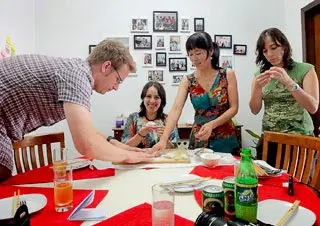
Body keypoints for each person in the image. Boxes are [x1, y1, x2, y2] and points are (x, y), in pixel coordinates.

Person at [0, 39, 154, 181]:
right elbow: (86, 144)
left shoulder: (77, 71)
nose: (116, 87)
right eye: (118, 80)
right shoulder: (77, 76)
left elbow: (88, 131)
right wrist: (127, 156)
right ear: (106, 66)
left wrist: (120, 146)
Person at [152, 32, 239, 154]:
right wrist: (163, 139)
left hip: (225, 137)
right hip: (200, 137)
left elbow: (234, 108)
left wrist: (212, 124)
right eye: (190, 54)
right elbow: (176, 109)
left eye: (198, 53)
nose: (194, 58)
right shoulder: (188, 80)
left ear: (211, 51)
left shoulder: (227, 74)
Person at [249, 27, 319, 166]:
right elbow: (254, 109)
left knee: (296, 184)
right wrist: (257, 88)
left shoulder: (305, 69)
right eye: (265, 51)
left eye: (273, 47)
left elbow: (313, 107)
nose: (270, 54)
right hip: (270, 138)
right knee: (268, 183)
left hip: (299, 137)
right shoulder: (260, 75)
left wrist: (288, 82)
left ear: (284, 47)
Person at [122, 81, 179, 148]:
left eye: (156, 97)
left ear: (162, 100)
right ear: (143, 98)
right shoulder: (133, 118)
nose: (152, 101)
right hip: (138, 158)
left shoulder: (169, 120)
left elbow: (174, 148)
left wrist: (164, 138)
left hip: (162, 158)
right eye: (148, 96)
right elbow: (125, 146)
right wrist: (140, 134)